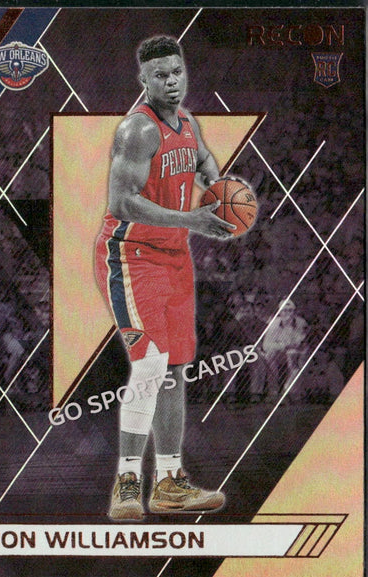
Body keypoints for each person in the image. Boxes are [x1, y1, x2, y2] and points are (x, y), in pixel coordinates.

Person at [95, 35, 235, 521]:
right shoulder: (137, 130)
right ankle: (127, 481)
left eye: (177, 72)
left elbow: (203, 159)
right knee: (152, 364)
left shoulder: (188, 123)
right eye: (160, 75)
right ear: (144, 80)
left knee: (174, 370)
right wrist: (192, 219)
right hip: (130, 255)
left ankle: (170, 482)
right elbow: (121, 203)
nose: (171, 81)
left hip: (174, 257)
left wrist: (217, 185)